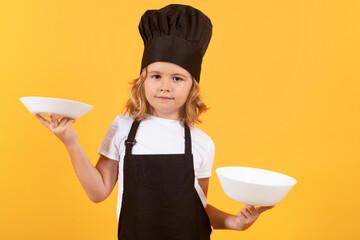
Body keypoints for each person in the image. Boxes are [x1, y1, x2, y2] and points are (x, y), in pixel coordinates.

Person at [34, 4, 274, 240]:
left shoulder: (202, 143)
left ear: (193, 87)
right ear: (143, 81)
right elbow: (97, 193)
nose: (165, 86)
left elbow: (197, 210)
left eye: (178, 78)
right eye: (156, 76)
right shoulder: (124, 128)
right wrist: (70, 141)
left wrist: (236, 222)